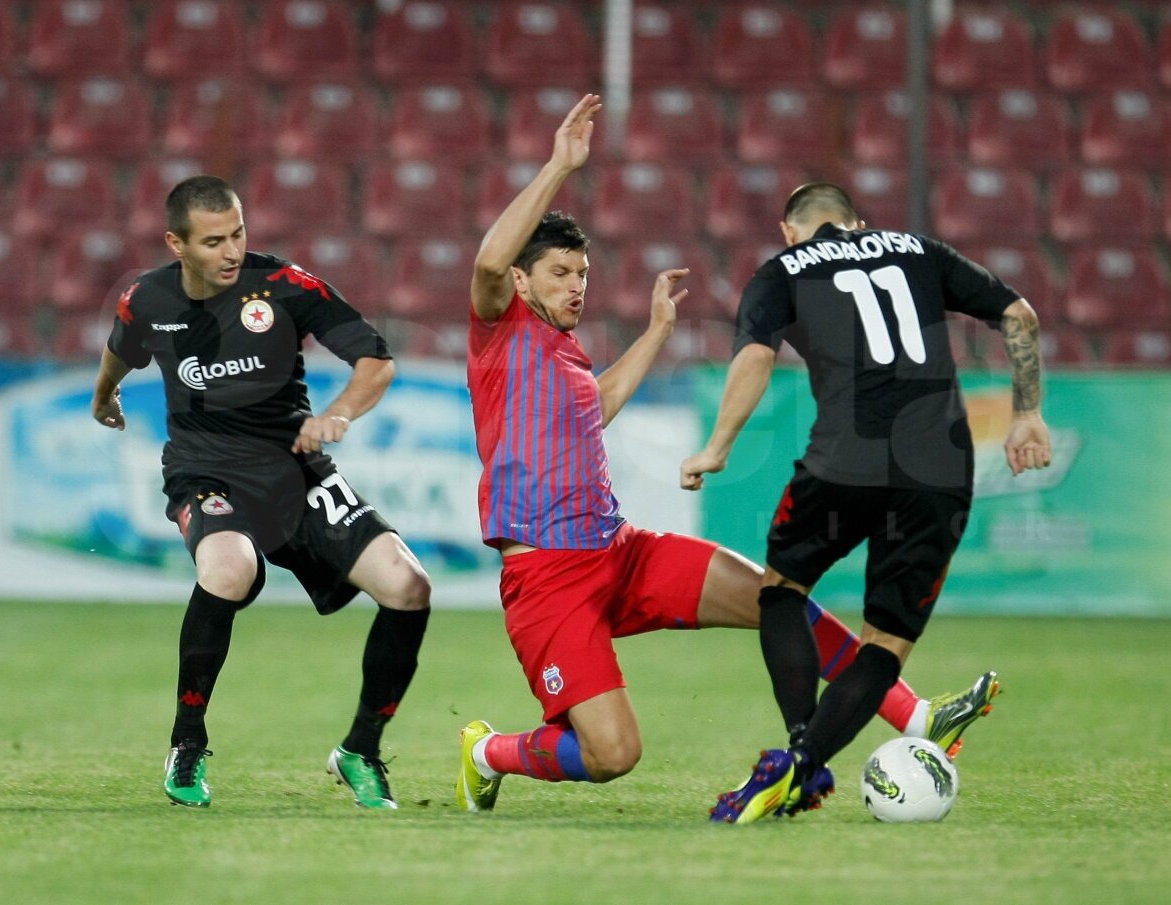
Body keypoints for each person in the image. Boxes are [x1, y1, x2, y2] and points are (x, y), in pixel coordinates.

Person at [455, 95, 999, 817]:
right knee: (612, 754)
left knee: (775, 594)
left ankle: (916, 715)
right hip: (548, 577)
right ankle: (487, 752)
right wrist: (560, 166)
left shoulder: (565, 352)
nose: (577, 286)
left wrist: (656, 331)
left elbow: (598, 402)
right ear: (523, 281)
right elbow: (490, 259)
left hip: (620, 551)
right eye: (560, 272)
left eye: (583, 273)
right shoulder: (498, 329)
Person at [681, 181, 1051, 824]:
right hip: (939, 469)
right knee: (885, 643)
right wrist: (1028, 415)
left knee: (782, 590)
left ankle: (797, 750)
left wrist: (717, 446)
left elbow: (755, 358)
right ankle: (801, 764)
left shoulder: (782, 269)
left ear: (789, 231)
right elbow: (1020, 315)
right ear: (857, 222)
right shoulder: (918, 250)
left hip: (843, 463)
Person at [91, 175, 431, 810]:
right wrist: (103, 395)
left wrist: (339, 413)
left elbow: (376, 361)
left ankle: (360, 749)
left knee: (408, 587)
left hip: (296, 470)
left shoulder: (283, 285)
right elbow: (120, 351)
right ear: (177, 244)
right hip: (205, 471)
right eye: (213, 241)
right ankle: (187, 743)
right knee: (229, 569)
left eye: (238, 234)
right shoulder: (147, 299)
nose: (231, 251)